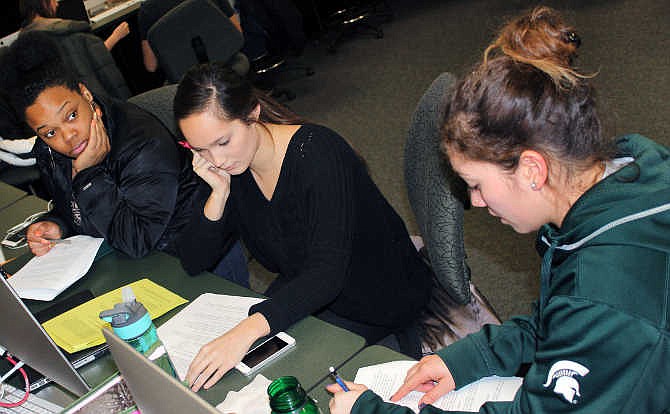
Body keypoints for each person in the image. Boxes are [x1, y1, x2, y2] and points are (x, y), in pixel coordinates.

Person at [329, 6, 670, 413]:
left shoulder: (600, 290)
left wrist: (371, 411)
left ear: (531, 169)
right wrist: (466, 358)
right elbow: (560, 322)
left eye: (476, 185)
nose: (474, 202)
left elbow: (582, 320)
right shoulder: (621, 178)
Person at [174, 62, 433, 391]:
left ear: (252, 114)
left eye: (223, 142)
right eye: (199, 149)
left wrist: (245, 331)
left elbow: (327, 273)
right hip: (311, 292)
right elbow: (194, 259)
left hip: (376, 296)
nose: (216, 159)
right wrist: (218, 193)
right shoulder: (232, 171)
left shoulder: (317, 154)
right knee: (238, 374)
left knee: (273, 383)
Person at [0, 31, 241, 271]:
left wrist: (88, 175)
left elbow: (137, 240)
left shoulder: (142, 143)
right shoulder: (49, 150)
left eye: (71, 115)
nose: (68, 136)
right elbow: (76, 205)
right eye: (49, 132)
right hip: (133, 261)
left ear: (85, 93)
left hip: (195, 258)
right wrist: (58, 224)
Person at [137, 0, 241, 73]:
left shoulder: (148, 10)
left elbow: (151, 65)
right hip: (226, 64)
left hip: (188, 80)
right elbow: (237, 33)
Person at [19, 0, 130, 51]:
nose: (57, 4)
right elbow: (92, 59)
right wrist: (115, 37)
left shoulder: (24, 37)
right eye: (53, 0)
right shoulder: (63, 31)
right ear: (43, 2)